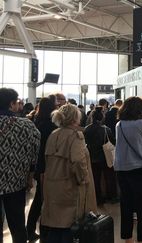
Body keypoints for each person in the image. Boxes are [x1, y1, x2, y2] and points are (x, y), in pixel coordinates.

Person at [40, 104, 97, 243]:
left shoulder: (54, 135)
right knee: (70, 226)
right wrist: (83, 180)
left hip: (52, 185)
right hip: (70, 186)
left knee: (55, 224)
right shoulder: (76, 136)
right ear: (75, 117)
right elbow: (78, 162)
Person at [0, 88, 40, 243]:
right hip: (16, 182)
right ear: (11, 104)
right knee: (17, 225)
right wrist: (30, 176)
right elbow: (34, 154)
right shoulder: (27, 125)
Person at [114, 97, 142, 243]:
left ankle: (127, 239)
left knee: (126, 205)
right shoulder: (140, 123)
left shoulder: (119, 124)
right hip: (139, 168)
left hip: (121, 168)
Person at [26, 97, 57, 242]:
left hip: (39, 165)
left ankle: (31, 228)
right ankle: (41, 230)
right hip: (49, 165)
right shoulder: (52, 126)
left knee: (39, 198)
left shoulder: (36, 122)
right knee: (43, 199)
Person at [84, 107, 117, 205]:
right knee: (109, 177)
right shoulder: (106, 129)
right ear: (102, 117)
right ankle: (111, 196)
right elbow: (112, 142)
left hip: (92, 156)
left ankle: (98, 198)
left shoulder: (87, 129)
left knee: (95, 179)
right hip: (105, 157)